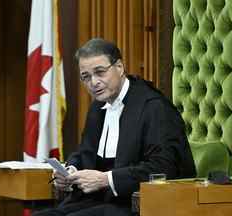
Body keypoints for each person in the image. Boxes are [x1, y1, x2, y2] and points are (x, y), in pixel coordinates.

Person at [33, 38, 196, 216]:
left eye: (100, 72)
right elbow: (85, 153)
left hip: (135, 203)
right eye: (86, 77)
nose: (93, 82)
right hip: (98, 200)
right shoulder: (98, 106)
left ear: (119, 67)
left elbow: (164, 167)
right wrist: (70, 172)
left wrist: (106, 179)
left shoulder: (154, 107)